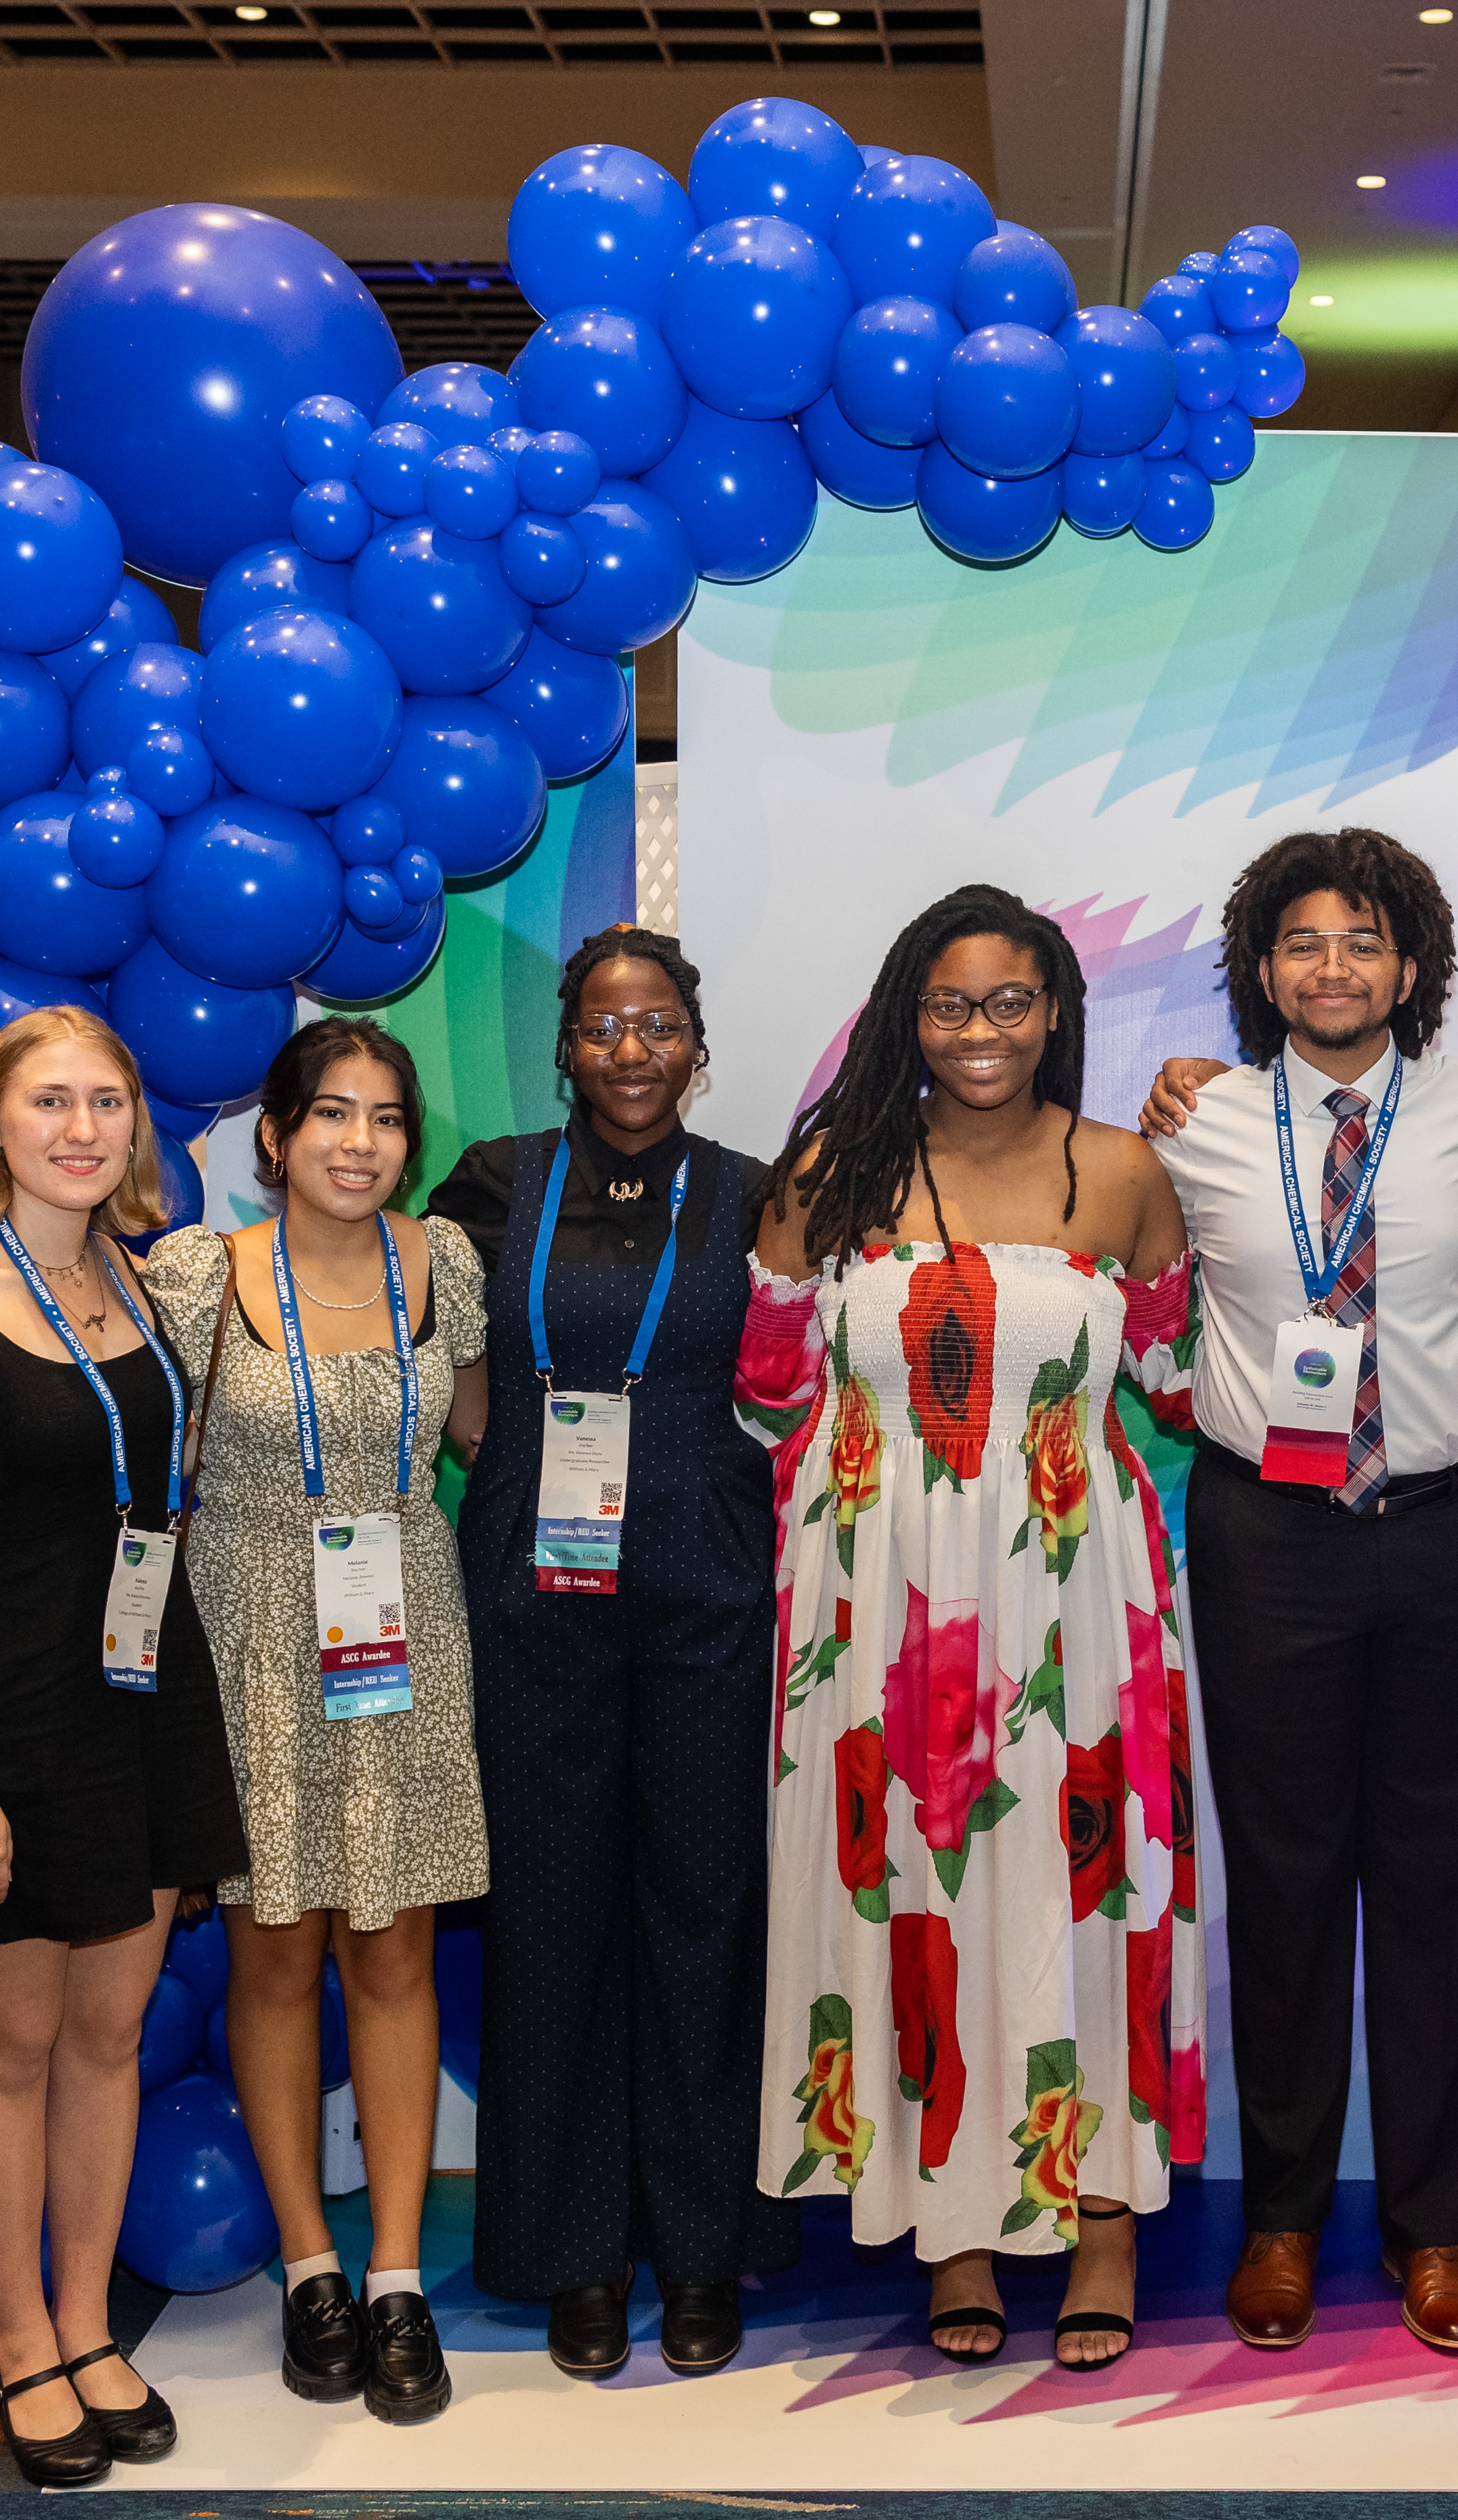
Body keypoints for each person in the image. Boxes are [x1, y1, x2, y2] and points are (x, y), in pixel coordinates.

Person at [742, 885, 1200, 2375]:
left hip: (1077, 1592)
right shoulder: (830, 1170)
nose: (982, 1032)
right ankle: (952, 2230)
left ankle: (1105, 2226)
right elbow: (760, 1393)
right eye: (950, 1005)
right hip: (875, 1603)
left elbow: (1188, 1383)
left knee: (1083, 1889)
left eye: (1011, 1002)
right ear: (907, 1018)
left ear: (1056, 1010)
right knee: (916, 1890)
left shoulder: (1126, 1173)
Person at [1143, 828, 1458, 2358]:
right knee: (1289, 1886)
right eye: (1303, 942)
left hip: (1447, 1526)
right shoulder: (1199, 1123)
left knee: (1436, 1883)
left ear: (1412, 967)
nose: (1333, 967)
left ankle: (1436, 2226)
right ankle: (1286, 2219)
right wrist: (1181, 1389)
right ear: (1262, 970)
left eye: (1362, 941)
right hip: (1272, 1536)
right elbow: (1149, 1301)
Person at [0, 1006, 247, 2488]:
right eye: (51, 1104)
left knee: (109, 2040)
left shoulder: (141, 1292)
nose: (82, 1129)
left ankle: (91, 2326)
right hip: (2, 1728)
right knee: (11, 2048)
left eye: (107, 1103)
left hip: (144, 1703)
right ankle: (20, 2339)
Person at [425, 929, 803, 2380]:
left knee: (707, 1908)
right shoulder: (493, 1187)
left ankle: (707, 2245)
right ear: (566, 1047)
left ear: (695, 1046)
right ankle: (575, 2247)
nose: (629, 1050)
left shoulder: (758, 1193)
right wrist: (490, 1443)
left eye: (657, 1026)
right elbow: (401, 1319)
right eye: (602, 1026)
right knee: (552, 1914)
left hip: (711, 1591)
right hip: (534, 1594)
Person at [142, 1019, 490, 2428]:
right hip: (248, 1633)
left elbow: (479, 1441)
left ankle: (397, 2274)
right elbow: (108, 1425)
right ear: (273, 1137)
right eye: (332, 1115)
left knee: (395, 1948)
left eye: (388, 1118)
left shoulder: (442, 1267)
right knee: (275, 1949)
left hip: (402, 1625)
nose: (362, 1142)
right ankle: (309, 2268)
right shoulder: (188, 1278)